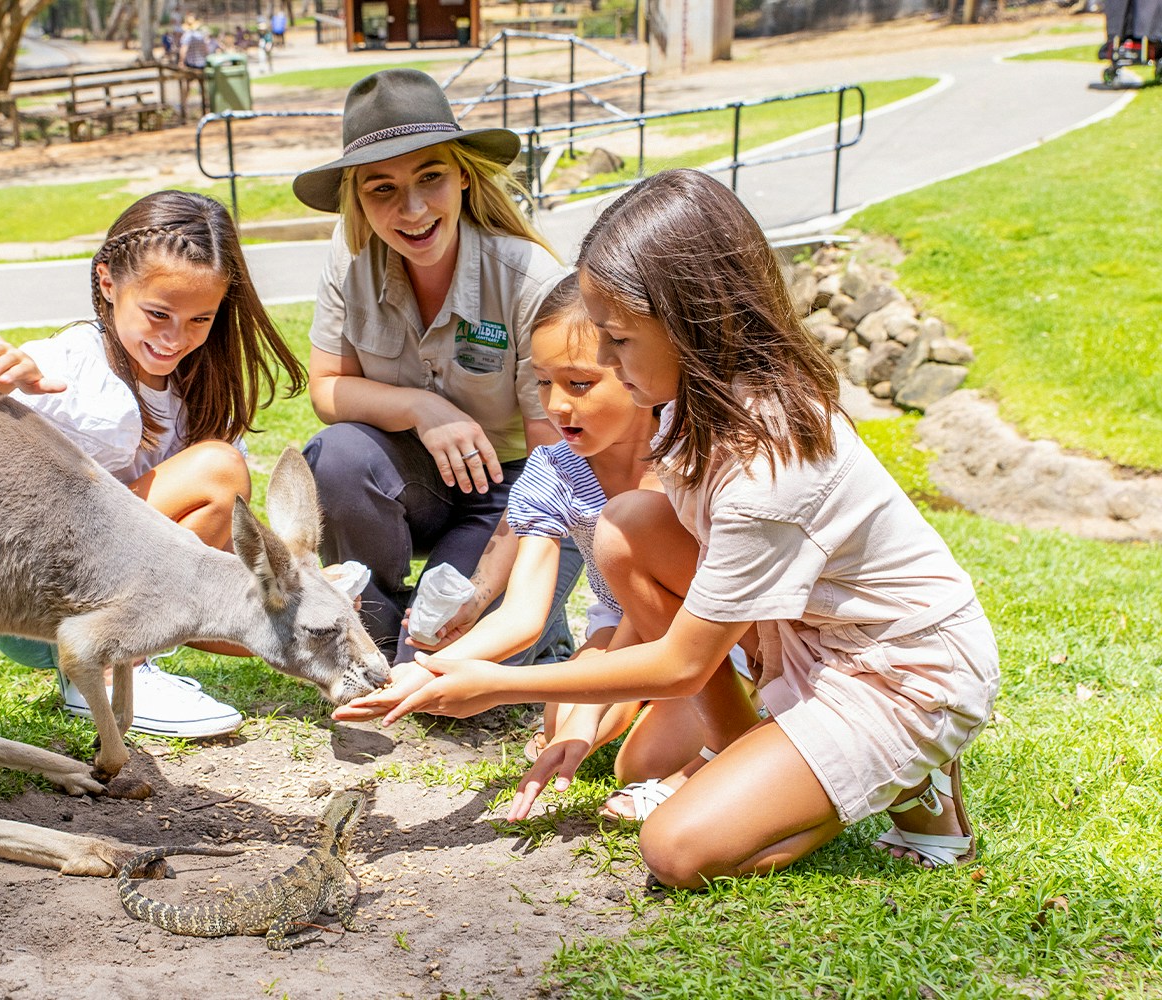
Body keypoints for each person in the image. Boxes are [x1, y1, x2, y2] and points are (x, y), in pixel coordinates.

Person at [347, 169, 1001, 887]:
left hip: (896, 667)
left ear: (693, 322)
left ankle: (906, 779)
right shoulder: (683, 408)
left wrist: (496, 685)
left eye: (618, 340)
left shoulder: (766, 463)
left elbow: (685, 662)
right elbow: (635, 600)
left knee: (676, 850)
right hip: (795, 638)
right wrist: (455, 666)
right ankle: (766, 758)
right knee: (626, 527)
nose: (606, 360)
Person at [335, 274, 751, 796]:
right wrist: (429, 670)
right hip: (625, 626)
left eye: (579, 384)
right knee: (563, 725)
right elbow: (522, 614)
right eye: (542, 382)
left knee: (635, 763)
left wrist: (591, 708)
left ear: (632, 370)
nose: (555, 405)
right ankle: (653, 710)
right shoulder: (553, 470)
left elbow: (658, 613)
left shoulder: (685, 457)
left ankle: (742, 704)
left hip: (715, 633)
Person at [0, 190, 306, 739]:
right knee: (217, 472)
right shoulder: (64, 364)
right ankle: (105, 670)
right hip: (30, 597)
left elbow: (211, 557)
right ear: (108, 283)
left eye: (200, 319)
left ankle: (129, 661)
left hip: (93, 587)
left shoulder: (197, 385)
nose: (175, 338)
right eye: (158, 314)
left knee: (270, 604)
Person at [292, 68, 583, 676]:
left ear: (464, 178)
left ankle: (533, 627)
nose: (414, 209)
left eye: (431, 177)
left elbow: (560, 464)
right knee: (337, 455)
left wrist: (481, 593)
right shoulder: (347, 265)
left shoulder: (530, 280)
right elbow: (326, 389)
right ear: (355, 198)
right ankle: (377, 620)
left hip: (518, 493)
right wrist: (424, 410)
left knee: (443, 673)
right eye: (382, 189)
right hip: (410, 483)